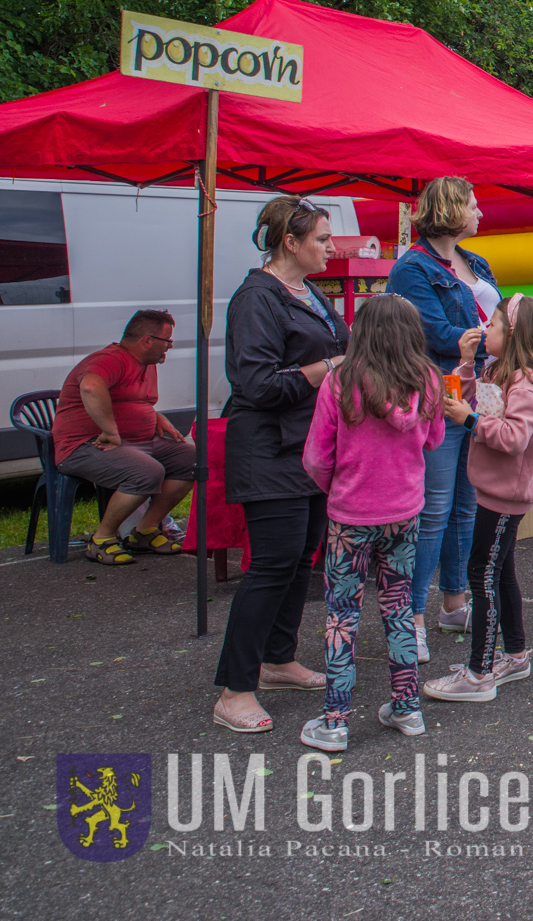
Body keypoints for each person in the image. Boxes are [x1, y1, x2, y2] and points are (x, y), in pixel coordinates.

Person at [213, 197, 350, 735]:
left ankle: (277, 659)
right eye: (320, 238)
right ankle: (235, 688)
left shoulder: (308, 291)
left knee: (300, 560)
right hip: (269, 449)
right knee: (270, 565)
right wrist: (331, 367)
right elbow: (258, 385)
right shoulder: (256, 298)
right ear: (289, 242)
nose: (329, 247)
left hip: (309, 447)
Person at [297, 294, 444, 750]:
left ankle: (336, 721)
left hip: (350, 515)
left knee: (342, 616)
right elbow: (434, 441)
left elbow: (318, 456)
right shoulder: (429, 380)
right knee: (398, 608)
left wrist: (338, 485)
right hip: (404, 512)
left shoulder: (340, 382)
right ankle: (406, 708)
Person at [423, 293, 533, 703]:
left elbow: (514, 438)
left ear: (514, 333)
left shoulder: (528, 384)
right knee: (499, 573)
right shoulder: (502, 371)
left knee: (480, 576)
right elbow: (476, 400)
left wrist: (469, 421)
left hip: (506, 496)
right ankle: (515, 655)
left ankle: (480, 673)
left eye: (494, 326)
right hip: (495, 489)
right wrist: (465, 366)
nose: (486, 331)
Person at [386, 177, 499, 651]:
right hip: (437, 393)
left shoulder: (476, 262)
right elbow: (432, 331)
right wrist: (489, 335)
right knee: (433, 508)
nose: (479, 214)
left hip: (477, 393)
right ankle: (410, 616)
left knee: (466, 504)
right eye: (473, 205)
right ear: (451, 210)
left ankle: (454, 603)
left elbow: (495, 321)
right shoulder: (412, 267)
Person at [51, 308, 194, 566]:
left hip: (135, 442)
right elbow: (91, 386)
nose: (169, 348)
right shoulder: (111, 359)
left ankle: (145, 530)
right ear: (147, 340)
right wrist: (109, 430)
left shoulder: (146, 364)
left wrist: (155, 416)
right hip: (84, 446)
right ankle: (101, 540)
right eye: (167, 341)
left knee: (192, 459)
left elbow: (133, 401)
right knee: (147, 472)